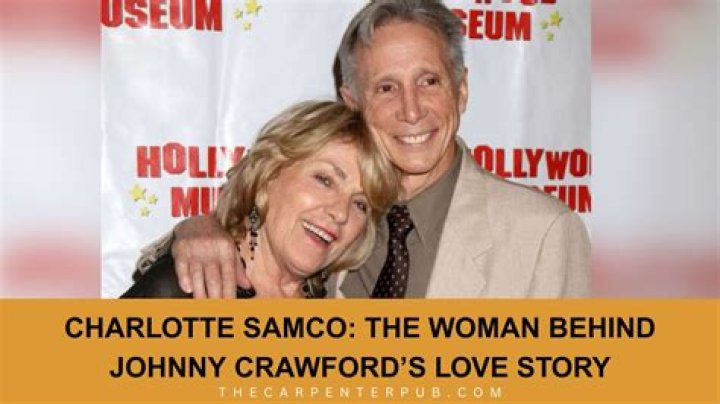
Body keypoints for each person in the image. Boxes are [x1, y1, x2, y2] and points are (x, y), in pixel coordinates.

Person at [139, 0, 590, 298]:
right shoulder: (329, 236)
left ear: (462, 91)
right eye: (386, 87)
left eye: (429, 81)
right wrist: (196, 231)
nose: (411, 110)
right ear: (352, 103)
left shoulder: (543, 234)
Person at [123, 101, 399, 298]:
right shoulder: (186, 288)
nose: (341, 213)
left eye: (360, 204)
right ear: (269, 175)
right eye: (324, 180)